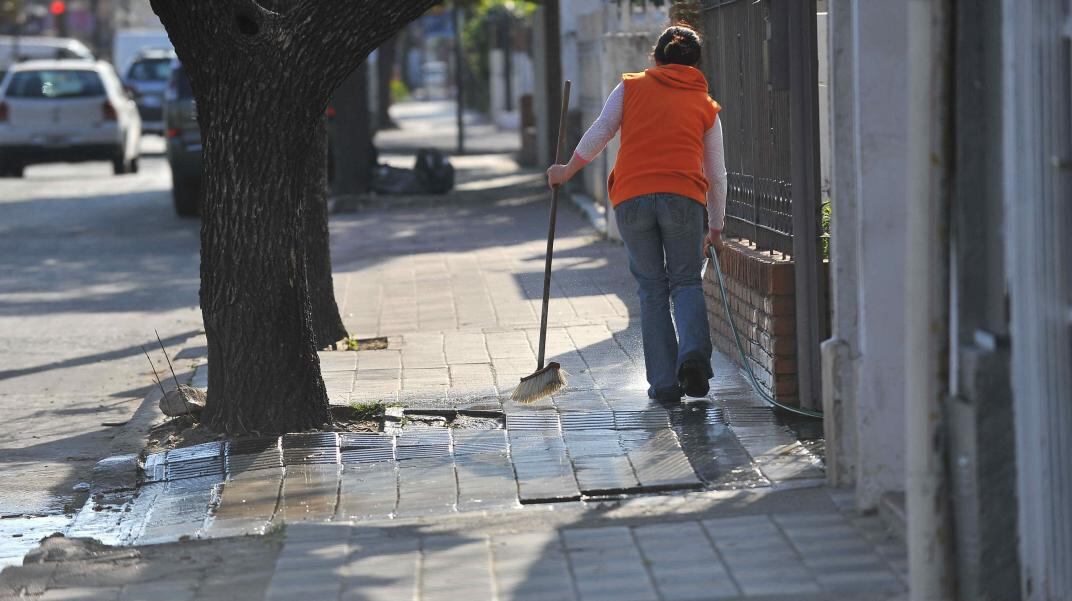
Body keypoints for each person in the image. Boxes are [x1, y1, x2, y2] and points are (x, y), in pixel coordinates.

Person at [546, 24, 727, 403]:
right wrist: (716, 227)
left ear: (656, 58)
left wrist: (566, 170)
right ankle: (693, 357)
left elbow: (601, 131)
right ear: (695, 63)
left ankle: (663, 383)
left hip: (632, 198)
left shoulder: (631, 87)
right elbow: (716, 174)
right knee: (686, 283)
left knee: (652, 290)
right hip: (683, 198)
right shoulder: (705, 106)